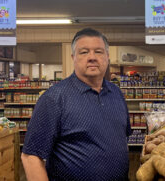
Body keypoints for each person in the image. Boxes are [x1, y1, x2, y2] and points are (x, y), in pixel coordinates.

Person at [21, 28, 131, 181]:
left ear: (107, 56)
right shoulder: (53, 99)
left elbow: (122, 140)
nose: (92, 57)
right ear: (73, 57)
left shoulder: (117, 94)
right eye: (84, 52)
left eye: (98, 52)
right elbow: (31, 156)